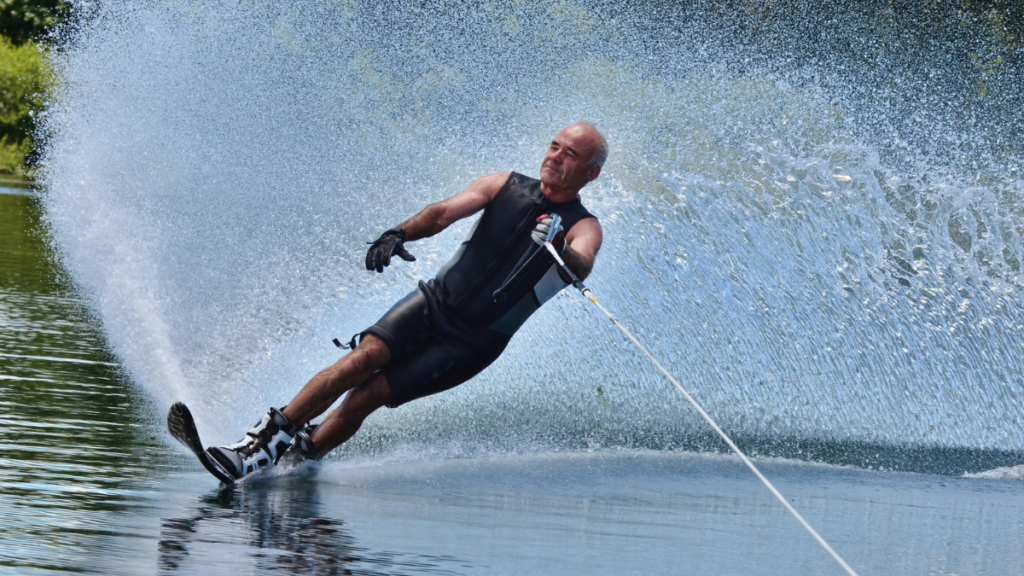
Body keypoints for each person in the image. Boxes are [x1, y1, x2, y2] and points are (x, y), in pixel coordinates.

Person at [207, 123, 608, 480]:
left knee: (369, 395)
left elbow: (581, 264)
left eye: (570, 154)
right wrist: (398, 233)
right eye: (554, 146)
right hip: (433, 302)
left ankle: (299, 459)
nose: (555, 157)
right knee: (359, 361)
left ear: (591, 173)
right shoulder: (505, 184)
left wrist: (558, 244)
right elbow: (443, 213)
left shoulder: (583, 226)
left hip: (473, 342)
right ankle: (259, 444)